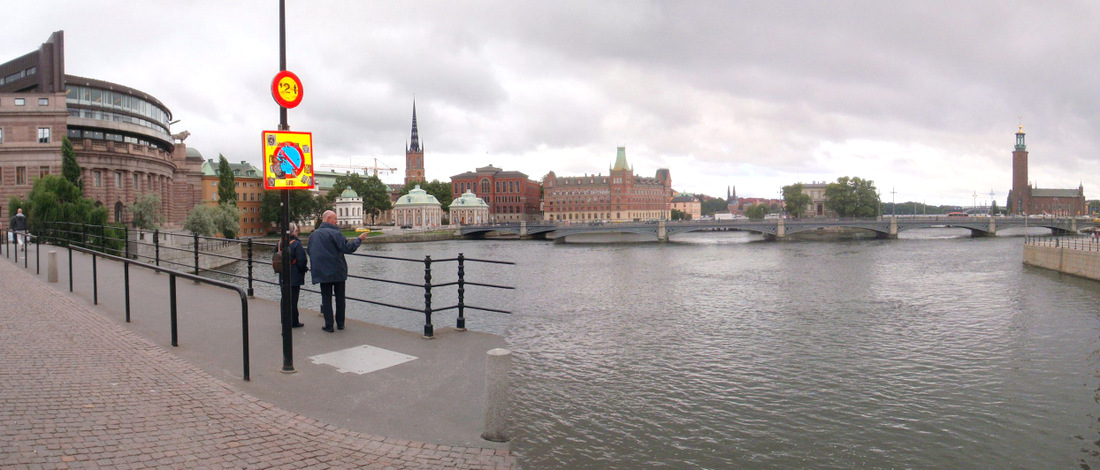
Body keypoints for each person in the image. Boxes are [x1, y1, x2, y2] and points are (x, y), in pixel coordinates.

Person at [307, 210, 368, 332]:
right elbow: (348, 248)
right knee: (340, 298)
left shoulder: (314, 235)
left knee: (326, 298)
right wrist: (359, 239)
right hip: (338, 271)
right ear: (328, 219)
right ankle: (340, 323)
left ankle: (329, 325)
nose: (337, 222)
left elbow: (310, 251)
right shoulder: (335, 233)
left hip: (322, 272)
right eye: (335, 219)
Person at [279, 222, 309, 328]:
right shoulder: (296, 244)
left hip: (283, 276)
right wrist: (304, 269)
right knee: (293, 300)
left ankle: (284, 320)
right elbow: (302, 260)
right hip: (294, 276)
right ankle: (293, 321)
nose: (298, 233)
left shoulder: (280, 243)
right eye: (296, 231)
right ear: (292, 232)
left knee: (284, 298)